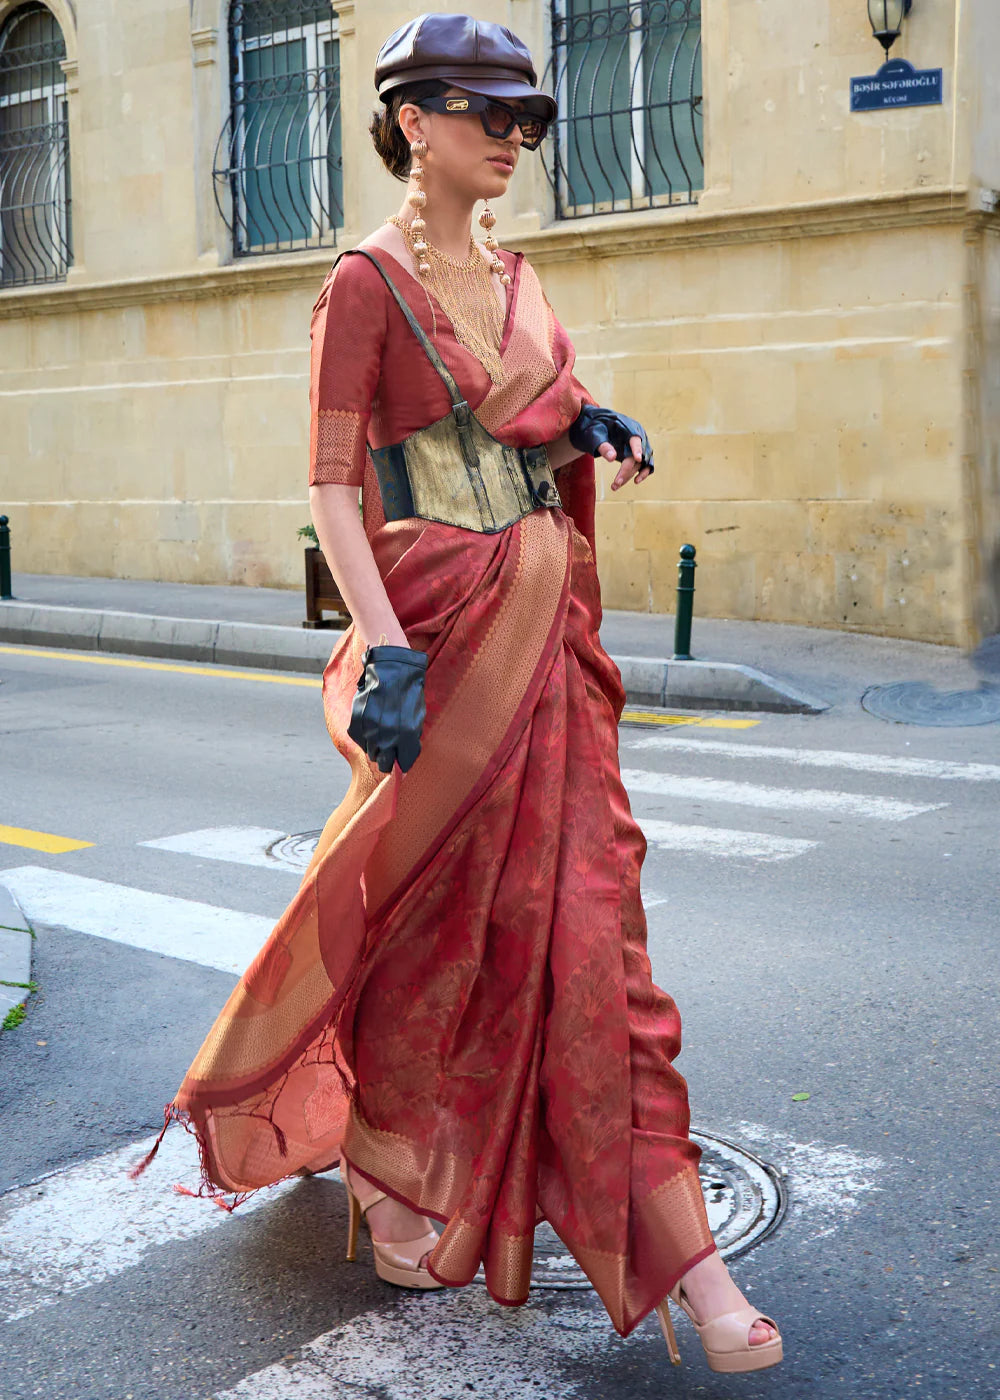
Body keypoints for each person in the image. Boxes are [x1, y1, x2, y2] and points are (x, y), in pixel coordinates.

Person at [137, 12, 783, 1377]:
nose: (514, 140)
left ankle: (696, 1276)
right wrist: (389, 650)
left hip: (550, 654)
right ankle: (391, 1169)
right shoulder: (362, 286)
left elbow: (538, 406)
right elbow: (328, 483)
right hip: (443, 639)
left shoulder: (522, 275)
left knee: (596, 952)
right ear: (412, 122)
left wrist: (589, 423)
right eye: (488, 115)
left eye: (529, 120)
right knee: (428, 940)